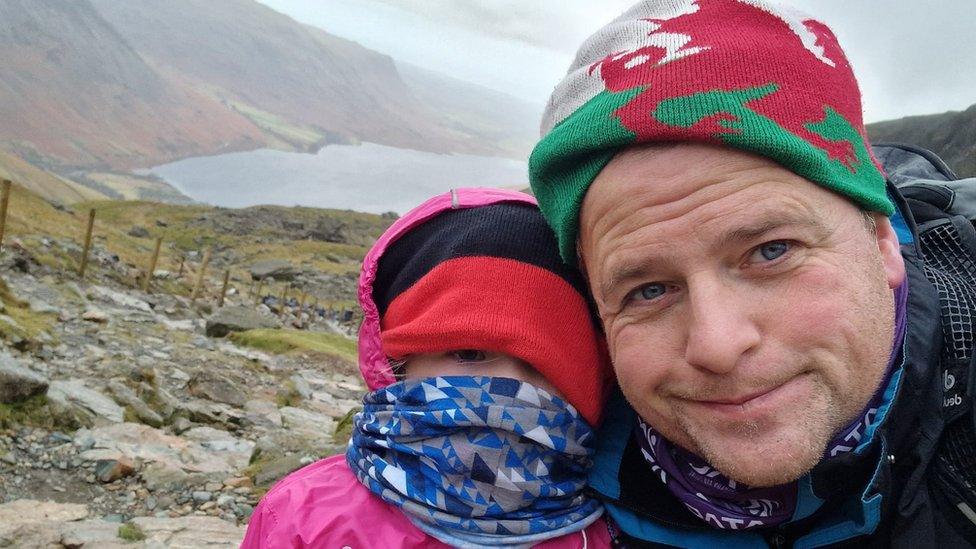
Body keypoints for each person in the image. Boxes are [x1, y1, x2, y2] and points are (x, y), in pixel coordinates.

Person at [528, 0, 976, 546]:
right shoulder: (548, 458)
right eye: (648, 290)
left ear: (881, 240)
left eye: (771, 252)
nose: (717, 345)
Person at [240, 188, 614, 548]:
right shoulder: (303, 518)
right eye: (469, 353)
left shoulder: (618, 531)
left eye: (549, 366)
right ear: (397, 367)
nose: (511, 386)